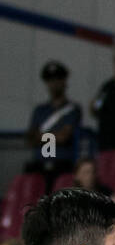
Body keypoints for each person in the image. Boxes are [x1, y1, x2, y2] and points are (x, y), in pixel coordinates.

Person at [25, 61, 80, 189]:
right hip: (39, 164)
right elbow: (29, 139)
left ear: (64, 82)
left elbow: (63, 137)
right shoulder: (40, 110)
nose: (53, 84)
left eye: (57, 79)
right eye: (50, 81)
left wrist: (40, 136)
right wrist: (53, 136)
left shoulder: (72, 109)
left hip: (62, 165)